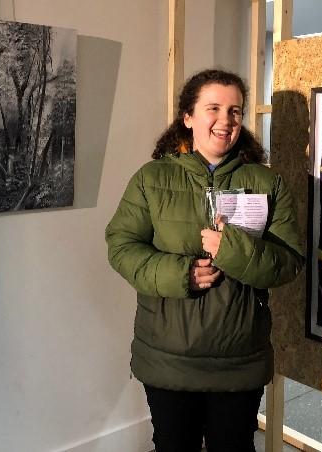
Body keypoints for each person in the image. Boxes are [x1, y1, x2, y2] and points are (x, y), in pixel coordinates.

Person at [106, 69, 304, 452]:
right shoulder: (151, 178)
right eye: (213, 108)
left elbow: (289, 261)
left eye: (235, 111)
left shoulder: (266, 183)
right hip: (168, 357)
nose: (225, 120)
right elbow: (121, 245)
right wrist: (181, 274)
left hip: (239, 359)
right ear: (188, 117)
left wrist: (230, 251)